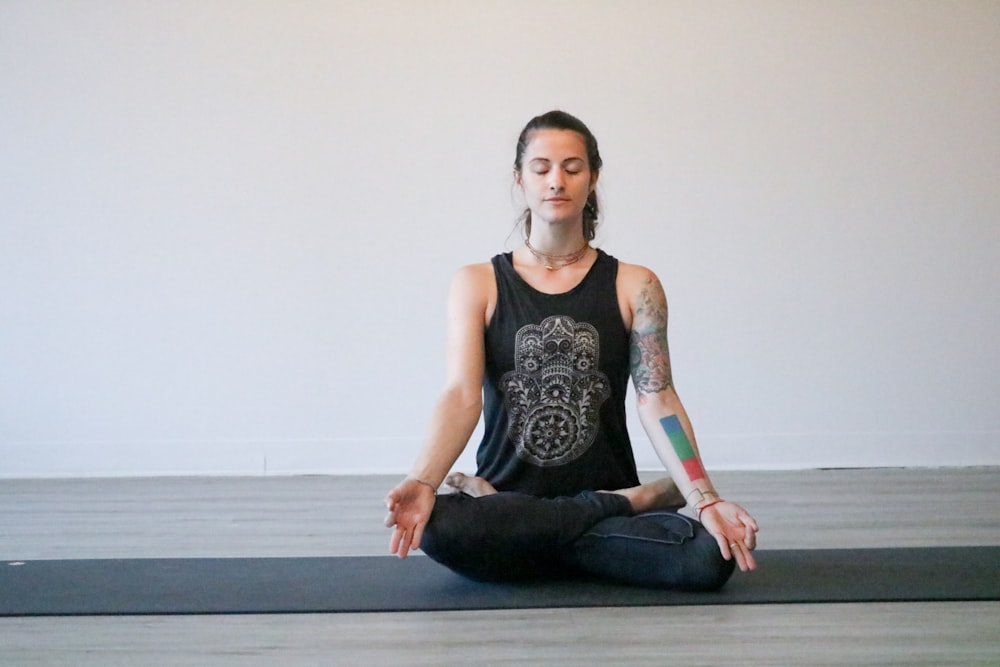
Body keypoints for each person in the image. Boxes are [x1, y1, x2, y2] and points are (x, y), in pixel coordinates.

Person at [384, 110, 759, 590]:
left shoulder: (635, 284)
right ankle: (628, 507)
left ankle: (535, 546)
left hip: (514, 514)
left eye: (572, 167)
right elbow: (461, 395)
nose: (556, 181)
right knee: (438, 526)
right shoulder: (477, 283)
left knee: (709, 557)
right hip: (518, 499)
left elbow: (658, 398)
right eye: (541, 168)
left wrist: (703, 497)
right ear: (520, 179)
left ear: (593, 177)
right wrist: (422, 481)